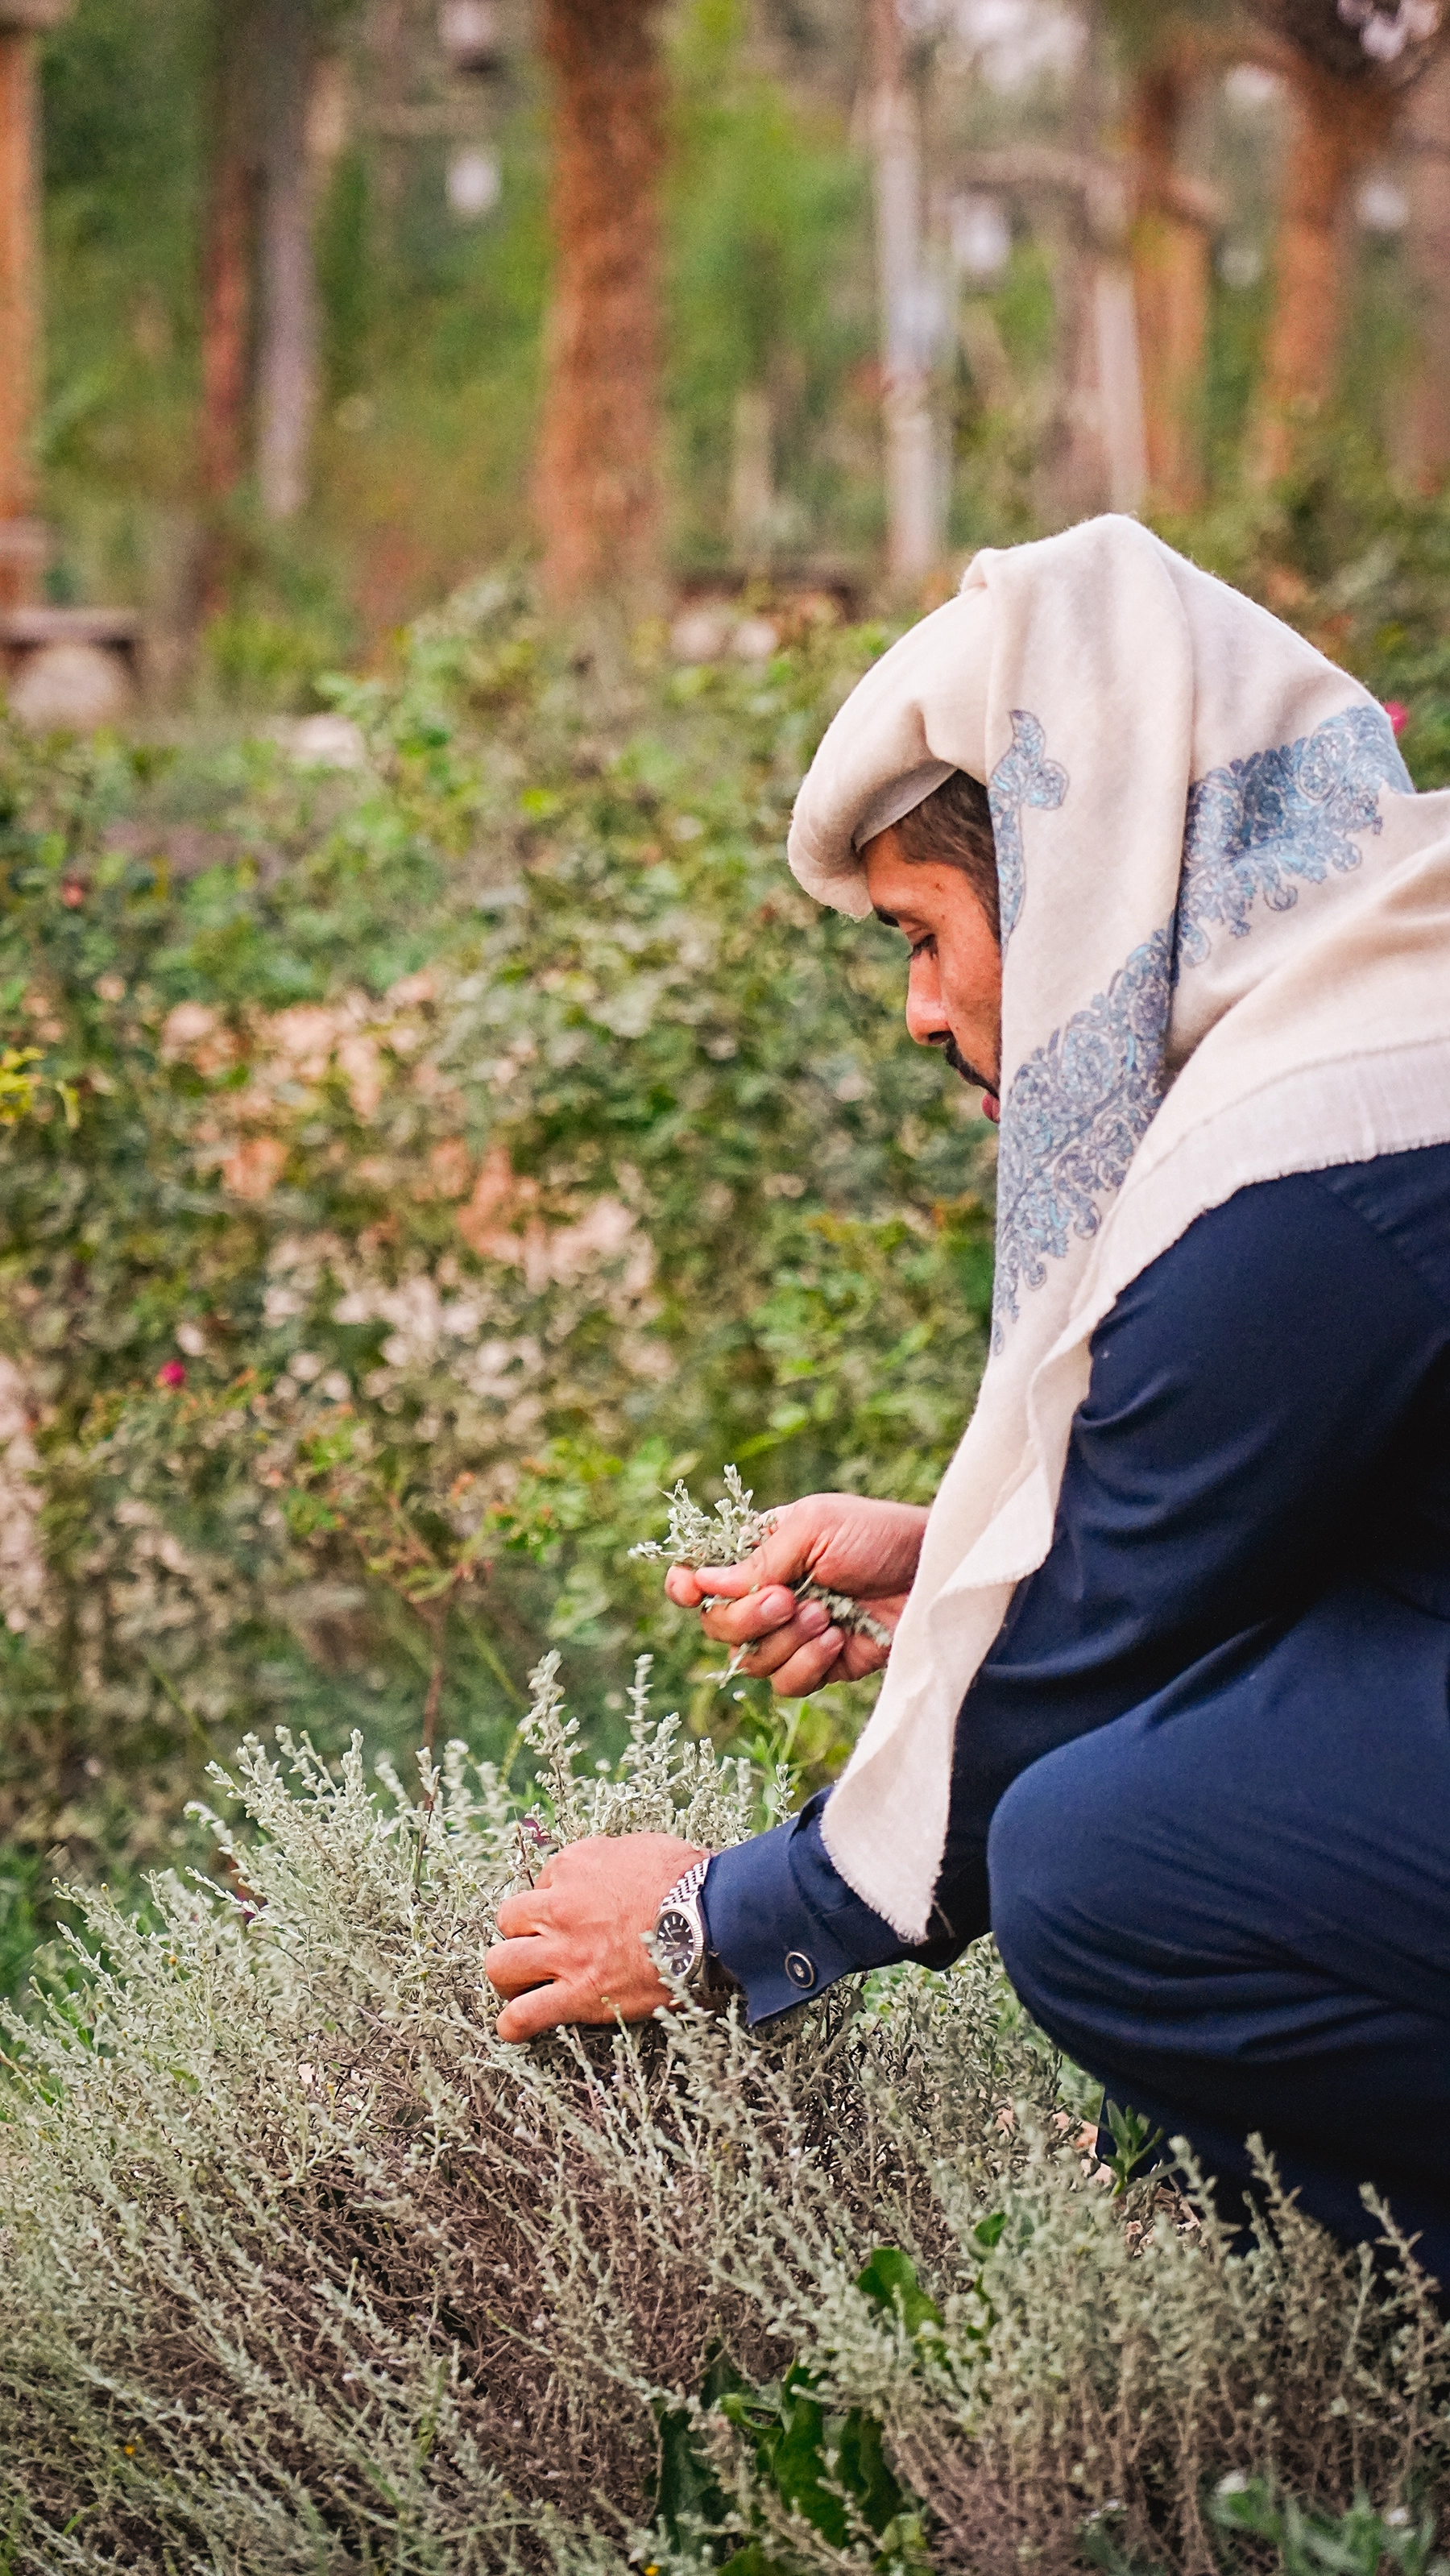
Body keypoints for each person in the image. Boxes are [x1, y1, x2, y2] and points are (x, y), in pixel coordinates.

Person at [486, 516, 1450, 2283]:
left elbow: (1100, 1644)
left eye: (926, 935)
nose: (924, 1015)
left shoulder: (1305, 1153)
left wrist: (706, 1923)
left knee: (1102, 1861)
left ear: (1087, 871)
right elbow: (1261, 1529)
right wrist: (964, 1570)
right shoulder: (1380, 999)